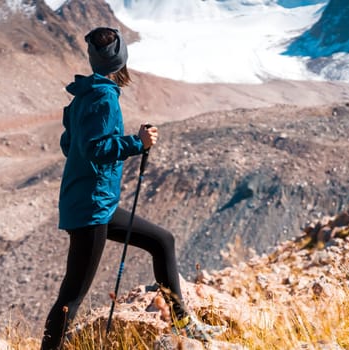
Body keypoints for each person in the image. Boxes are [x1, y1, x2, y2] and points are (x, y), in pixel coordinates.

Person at [40, 27, 225, 350]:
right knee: (72, 296)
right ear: (121, 58)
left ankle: (184, 324)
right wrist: (137, 142)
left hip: (96, 203)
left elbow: (70, 145)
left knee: (162, 240)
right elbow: (94, 148)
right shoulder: (103, 97)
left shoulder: (83, 94)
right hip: (91, 210)